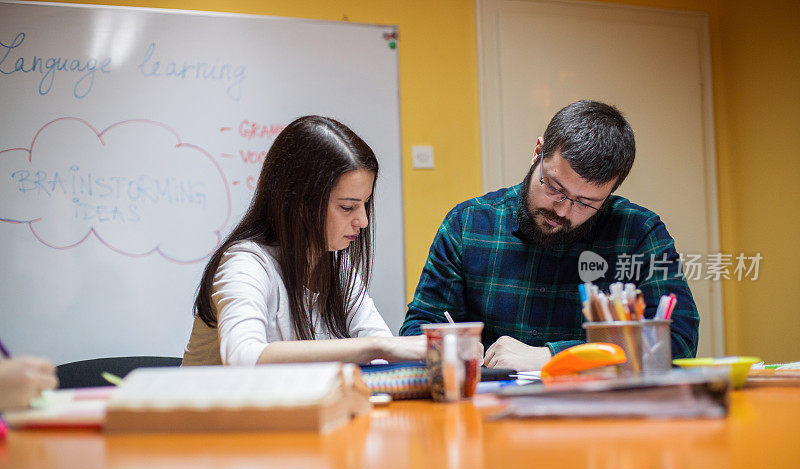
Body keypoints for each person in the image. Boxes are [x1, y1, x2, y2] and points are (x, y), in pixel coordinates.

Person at [401, 101, 699, 371]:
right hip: (489, 414)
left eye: (585, 203)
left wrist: (553, 356)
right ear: (537, 153)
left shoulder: (638, 234)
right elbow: (418, 327)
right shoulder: (468, 224)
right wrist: (451, 348)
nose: (563, 210)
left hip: (599, 417)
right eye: (555, 187)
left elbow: (679, 339)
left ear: (610, 193)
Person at [183, 115, 425, 366]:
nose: (362, 221)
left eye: (365, 204)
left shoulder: (336, 265)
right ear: (300, 204)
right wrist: (377, 348)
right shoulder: (246, 264)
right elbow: (244, 358)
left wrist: (385, 349)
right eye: (347, 207)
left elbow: (384, 357)